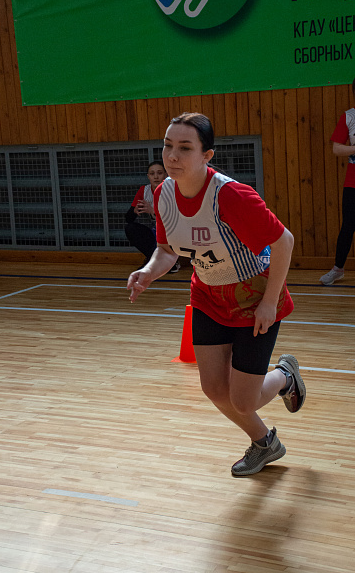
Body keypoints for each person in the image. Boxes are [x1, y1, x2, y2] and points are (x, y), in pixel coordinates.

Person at [127, 112, 306, 477]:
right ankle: (265, 443)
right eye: (168, 146)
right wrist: (148, 272)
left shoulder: (231, 195)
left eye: (185, 148)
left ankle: (286, 376)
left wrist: (269, 302)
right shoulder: (163, 194)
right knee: (213, 388)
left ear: (206, 155)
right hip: (208, 296)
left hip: (253, 297)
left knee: (243, 399)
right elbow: (166, 250)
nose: (172, 155)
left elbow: (284, 241)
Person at [320, 78, 355, 285]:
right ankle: (337, 269)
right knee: (348, 226)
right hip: (352, 183)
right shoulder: (349, 116)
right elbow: (337, 148)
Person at [125, 161, 180, 273]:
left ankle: (171, 261)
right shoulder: (144, 191)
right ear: (148, 176)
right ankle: (153, 260)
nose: (156, 177)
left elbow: (175, 219)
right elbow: (128, 218)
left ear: (166, 175)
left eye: (159, 173)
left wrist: (153, 211)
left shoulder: (173, 190)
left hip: (172, 232)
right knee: (130, 228)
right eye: (152, 173)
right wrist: (134, 211)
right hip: (154, 233)